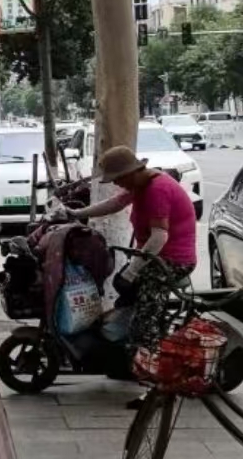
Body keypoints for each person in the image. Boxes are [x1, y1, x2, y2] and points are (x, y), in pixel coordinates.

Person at [84, 143, 197, 362]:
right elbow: (115, 203)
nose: (116, 183)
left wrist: (132, 271)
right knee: (123, 288)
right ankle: (124, 350)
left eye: (117, 178)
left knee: (145, 318)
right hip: (155, 257)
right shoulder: (142, 184)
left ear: (130, 173)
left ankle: (147, 363)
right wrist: (77, 213)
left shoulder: (157, 189)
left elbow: (159, 237)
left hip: (172, 260)